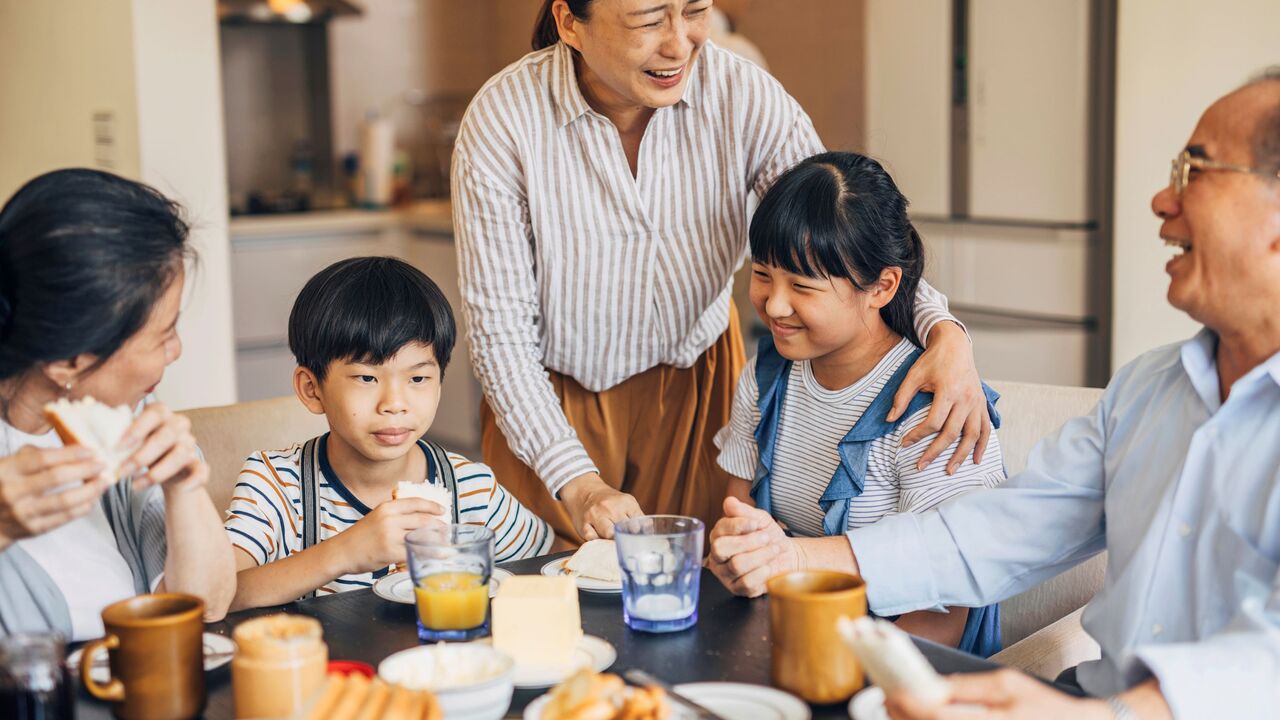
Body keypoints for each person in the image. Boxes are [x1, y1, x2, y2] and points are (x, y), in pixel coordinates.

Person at [708, 72, 1280, 719]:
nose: (1160, 200)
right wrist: (789, 556)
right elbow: (993, 534)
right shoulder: (1149, 391)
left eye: (1195, 172)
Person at [453, 0, 992, 546]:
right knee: (547, 588)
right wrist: (577, 481)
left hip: (697, 392)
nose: (679, 44)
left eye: (695, 10)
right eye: (648, 20)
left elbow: (843, 237)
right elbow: (500, 334)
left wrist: (943, 330)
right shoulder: (504, 119)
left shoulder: (743, 95)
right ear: (570, 22)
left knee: (691, 585)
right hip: (548, 399)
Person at [714, 152, 1007, 655]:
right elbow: (737, 518)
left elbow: (946, 612)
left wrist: (832, 669)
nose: (774, 305)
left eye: (802, 286)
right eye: (762, 274)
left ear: (882, 287)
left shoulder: (935, 409)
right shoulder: (766, 376)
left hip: (894, 669)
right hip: (780, 642)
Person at [224, 258, 552, 609]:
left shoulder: (472, 490)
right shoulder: (276, 483)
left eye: (418, 378)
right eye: (367, 378)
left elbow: (550, 571)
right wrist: (345, 552)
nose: (395, 404)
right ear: (312, 389)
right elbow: (219, 597)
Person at [0, 168, 235, 639]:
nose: (176, 350)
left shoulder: (123, 421)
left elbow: (207, 604)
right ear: (68, 362)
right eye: (163, 335)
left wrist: (184, 488)